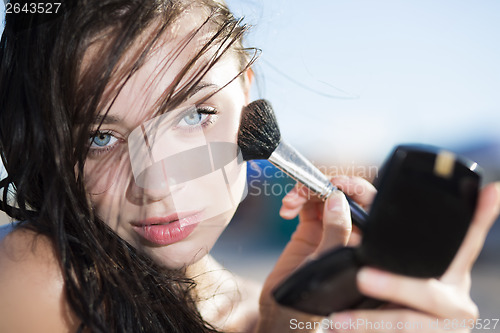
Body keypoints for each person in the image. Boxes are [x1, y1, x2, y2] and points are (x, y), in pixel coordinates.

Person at [0, 0, 498, 332]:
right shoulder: (45, 280)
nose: (158, 186)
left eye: (196, 114)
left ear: (248, 94)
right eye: (100, 137)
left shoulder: (268, 307)